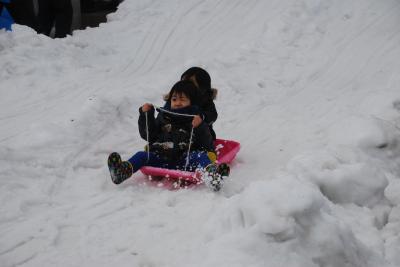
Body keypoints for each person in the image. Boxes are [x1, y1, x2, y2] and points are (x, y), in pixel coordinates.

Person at [107, 80, 229, 190]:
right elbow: (149, 135)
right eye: (174, 99)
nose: (177, 102)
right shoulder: (164, 116)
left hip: (185, 160)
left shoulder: (195, 119)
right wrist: (146, 115)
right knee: (141, 155)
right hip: (161, 157)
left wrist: (200, 127)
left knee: (201, 157)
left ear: (192, 102)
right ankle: (121, 172)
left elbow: (207, 144)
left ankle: (213, 178)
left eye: (182, 99)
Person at [180, 67, 218, 140]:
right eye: (183, 83)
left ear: (202, 88)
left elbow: (212, 115)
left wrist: (202, 117)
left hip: (201, 138)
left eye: (190, 84)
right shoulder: (177, 99)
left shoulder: (205, 101)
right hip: (178, 136)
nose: (185, 87)